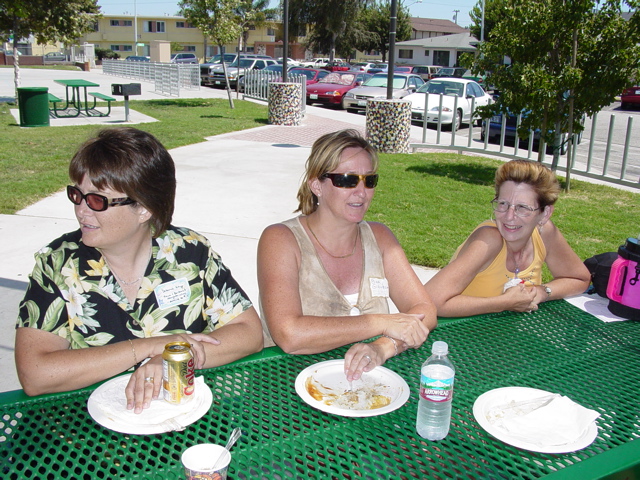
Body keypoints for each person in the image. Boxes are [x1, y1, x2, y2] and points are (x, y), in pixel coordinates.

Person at [15, 127, 263, 412]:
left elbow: (249, 333)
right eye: (76, 195)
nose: (82, 211)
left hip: (179, 422)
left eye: (97, 200)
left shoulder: (189, 252)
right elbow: (35, 374)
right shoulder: (58, 264)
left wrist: (172, 358)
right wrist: (149, 347)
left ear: (144, 208)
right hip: (86, 434)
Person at [257, 129, 437, 382]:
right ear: (316, 184)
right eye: (347, 180)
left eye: (369, 180)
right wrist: (380, 323)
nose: (361, 192)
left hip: (364, 385)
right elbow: (290, 335)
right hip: (287, 387)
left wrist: (383, 347)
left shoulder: (380, 237)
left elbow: (425, 310)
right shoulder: (281, 239)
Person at [424, 159, 590, 317]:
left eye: (522, 208)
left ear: (545, 214)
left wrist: (543, 291)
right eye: (503, 204)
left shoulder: (544, 232)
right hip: (461, 337)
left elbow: (579, 278)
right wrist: (503, 303)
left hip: (513, 337)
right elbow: (430, 300)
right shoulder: (489, 240)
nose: (509, 217)